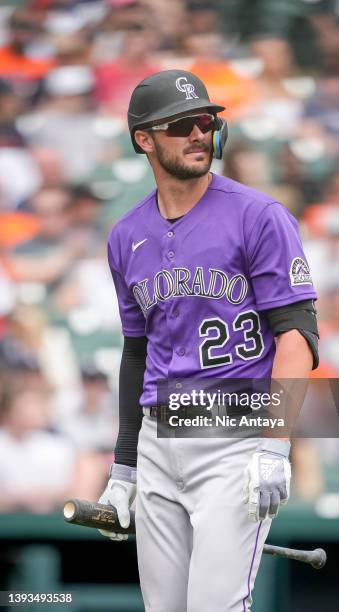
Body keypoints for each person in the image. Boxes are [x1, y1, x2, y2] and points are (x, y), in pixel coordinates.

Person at [97, 69, 319, 611]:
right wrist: (124, 466)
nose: (199, 133)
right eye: (180, 124)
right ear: (144, 140)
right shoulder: (126, 234)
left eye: (206, 119)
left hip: (234, 435)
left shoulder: (258, 215)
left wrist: (274, 445)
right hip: (158, 438)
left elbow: (298, 336)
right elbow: (137, 353)